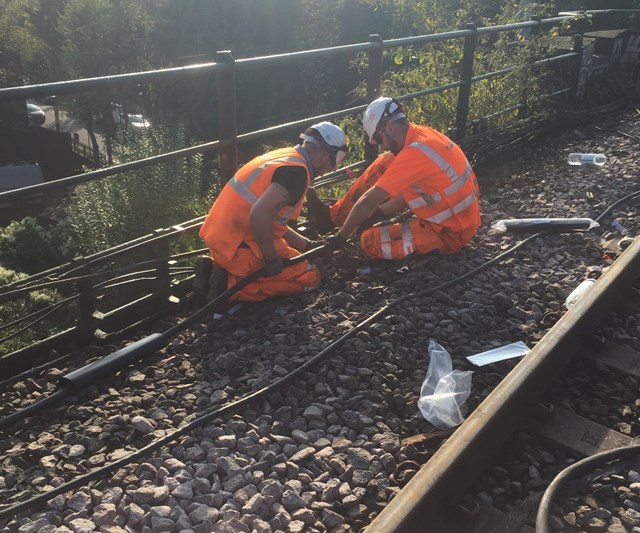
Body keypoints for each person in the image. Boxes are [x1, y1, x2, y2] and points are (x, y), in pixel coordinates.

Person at [307, 96, 480, 260]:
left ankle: (340, 224)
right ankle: (333, 217)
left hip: (449, 232)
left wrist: (340, 238)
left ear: (389, 127)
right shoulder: (422, 135)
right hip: (457, 217)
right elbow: (414, 192)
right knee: (386, 161)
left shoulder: (415, 154)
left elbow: (369, 200)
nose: (381, 146)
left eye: (378, 138)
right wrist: (379, 213)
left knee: (368, 242)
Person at [196, 121, 348, 302]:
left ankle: (214, 270)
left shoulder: (286, 157)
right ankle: (229, 286)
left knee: (289, 260)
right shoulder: (297, 174)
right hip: (240, 250)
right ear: (325, 153)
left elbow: (273, 221)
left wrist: (306, 244)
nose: (333, 168)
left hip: (222, 242)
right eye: (336, 160)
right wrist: (271, 259)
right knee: (310, 277)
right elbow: (259, 215)